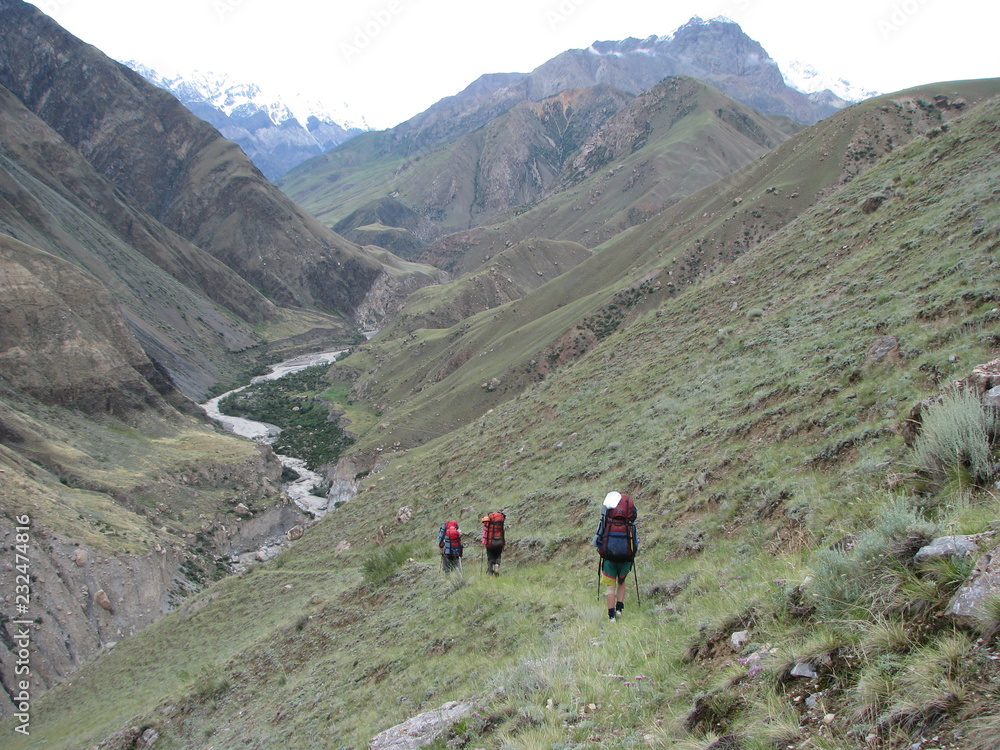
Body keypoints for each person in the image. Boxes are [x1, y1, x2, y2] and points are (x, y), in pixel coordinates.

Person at [592, 491, 638, 621]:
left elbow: (599, 536)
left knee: (610, 587)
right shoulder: (630, 525)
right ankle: (619, 608)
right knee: (621, 582)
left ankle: (611, 616)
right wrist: (632, 555)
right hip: (625, 557)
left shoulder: (607, 522)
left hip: (609, 557)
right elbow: (635, 542)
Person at [480, 510, 506, 575]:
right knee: (498, 555)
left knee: (490, 557)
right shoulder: (501, 520)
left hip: (490, 543)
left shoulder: (488, 521)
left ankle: (490, 571)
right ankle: (496, 567)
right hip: (500, 542)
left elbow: (485, 532)